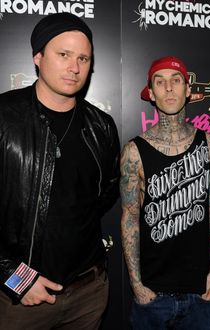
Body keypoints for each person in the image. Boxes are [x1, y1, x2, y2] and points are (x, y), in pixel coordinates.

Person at [0, 13, 120, 330]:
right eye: (63, 55)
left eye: (83, 58)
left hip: (88, 292)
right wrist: (14, 277)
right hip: (21, 298)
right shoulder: (5, 117)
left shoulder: (101, 126)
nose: (75, 67)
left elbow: (106, 193)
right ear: (37, 57)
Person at [120, 56, 210, 329]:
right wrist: (137, 285)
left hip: (199, 290)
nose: (169, 88)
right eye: (160, 81)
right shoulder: (134, 151)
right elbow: (130, 217)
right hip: (152, 293)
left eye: (176, 80)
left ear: (188, 90)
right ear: (151, 94)